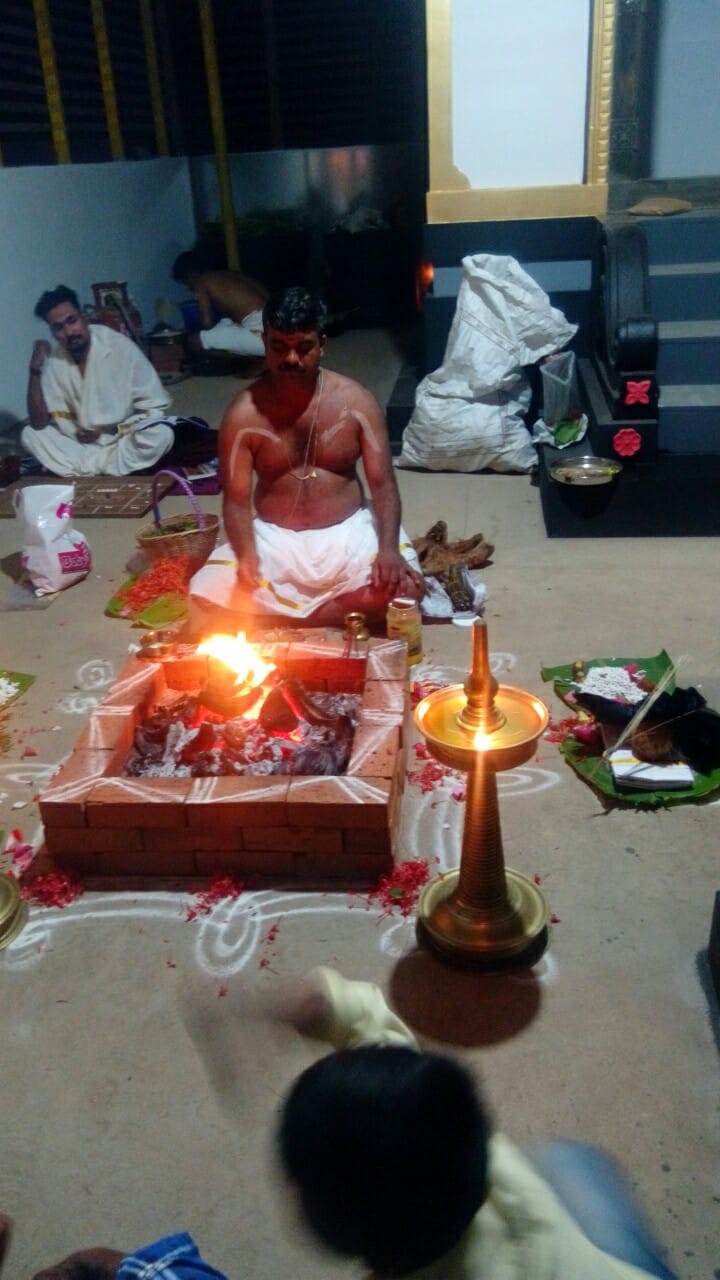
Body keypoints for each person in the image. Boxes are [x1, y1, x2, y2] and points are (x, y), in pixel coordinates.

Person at [277, 967, 678, 1280]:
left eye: (298, 1181)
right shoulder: (468, 1146)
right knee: (568, 1161)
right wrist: (330, 1005)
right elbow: (400, 1069)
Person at [189, 286, 424, 630]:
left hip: (348, 533)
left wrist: (388, 550)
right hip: (275, 540)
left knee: (407, 591)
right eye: (279, 347)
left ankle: (281, 619)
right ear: (265, 342)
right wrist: (247, 554)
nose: (291, 359)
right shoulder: (242, 415)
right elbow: (237, 501)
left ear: (323, 343)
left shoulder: (357, 403)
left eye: (304, 347)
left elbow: (383, 484)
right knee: (203, 599)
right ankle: (340, 614)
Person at [23, 286, 174, 477]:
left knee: (160, 433)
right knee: (30, 434)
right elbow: (38, 423)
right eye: (59, 327)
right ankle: (102, 468)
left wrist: (107, 430)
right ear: (52, 332)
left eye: (72, 321)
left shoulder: (118, 346)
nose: (69, 332)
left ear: (84, 317)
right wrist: (34, 370)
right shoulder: (56, 360)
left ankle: (85, 471)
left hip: (121, 439)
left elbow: (152, 408)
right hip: (82, 447)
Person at [171, 251, 269, 360]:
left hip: (263, 338)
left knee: (194, 341)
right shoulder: (231, 275)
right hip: (278, 328)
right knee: (224, 323)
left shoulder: (201, 283)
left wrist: (190, 331)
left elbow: (207, 324)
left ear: (191, 274)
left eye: (185, 281)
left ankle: (259, 361)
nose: (188, 287)